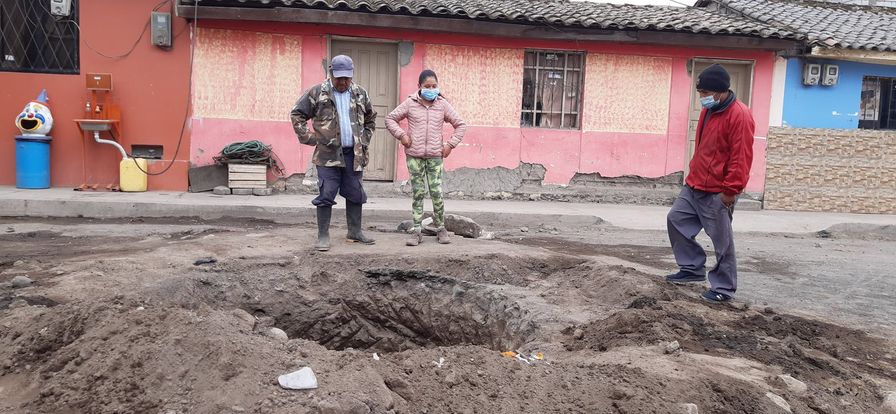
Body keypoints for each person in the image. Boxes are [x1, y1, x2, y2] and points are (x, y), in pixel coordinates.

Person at [666, 64, 755, 303]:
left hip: (719, 190)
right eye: (700, 92)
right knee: (676, 219)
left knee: (722, 241)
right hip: (695, 184)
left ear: (720, 91)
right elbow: (704, 147)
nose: (702, 97)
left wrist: (730, 191)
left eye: (705, 93)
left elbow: (741, 157)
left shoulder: (740, 115)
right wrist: (693, 175)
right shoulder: (709, 110)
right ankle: (692, 268)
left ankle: (724, 288)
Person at [290, 55, 377, 251]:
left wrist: (364, 139)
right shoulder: (317, 92)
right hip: (327, 155)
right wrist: (309, 137)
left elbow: (371, 118)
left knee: (356, 192)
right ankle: (323, 235)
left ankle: (354, 232)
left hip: (353, 155)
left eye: (347, 77)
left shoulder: (360, 93)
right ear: (331, 74)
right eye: (339, 78)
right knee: (327, 193)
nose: (343, 82)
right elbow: (297, 114)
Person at [385, 69, 467, 246]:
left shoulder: (442, 105)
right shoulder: (410, 103)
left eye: (434, 86)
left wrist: (450, 145)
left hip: (435, 157)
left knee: (437, 193)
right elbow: (390, 119)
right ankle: (417, 231)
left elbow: (460, 124)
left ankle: (441, 228)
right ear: (419, 87)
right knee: (418, 193)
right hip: (414, 156)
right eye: (427, 86)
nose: (431, 89)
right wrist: (402, 135)